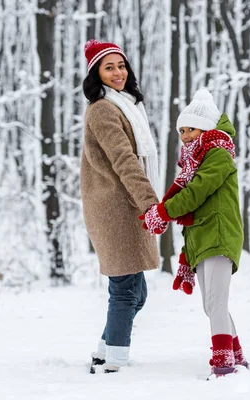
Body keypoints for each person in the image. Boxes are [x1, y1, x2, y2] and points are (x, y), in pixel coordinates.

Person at [142, 89, 249, 377]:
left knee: (215, 302)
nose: (186, 135)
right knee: (211, 303)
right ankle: (237, 356)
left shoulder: (217, 154)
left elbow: (197, 192)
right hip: (204, 236)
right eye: (182, 130)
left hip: (218, 236)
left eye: (191, 128)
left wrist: (163, 212)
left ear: (207, 128)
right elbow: (193, 203)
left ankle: (224, 363)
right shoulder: (197, 160)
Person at [80, 39, 160, 373]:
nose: (118, 73)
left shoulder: (124, 105)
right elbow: (124, 159)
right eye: (109, 67)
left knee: (135, 292)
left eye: (121, 65)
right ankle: (114, 362)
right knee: (126, 290)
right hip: (116, 208)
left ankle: (104, 351)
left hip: (126, 205)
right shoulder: (103, 109)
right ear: (96, 74)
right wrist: (150, 203)